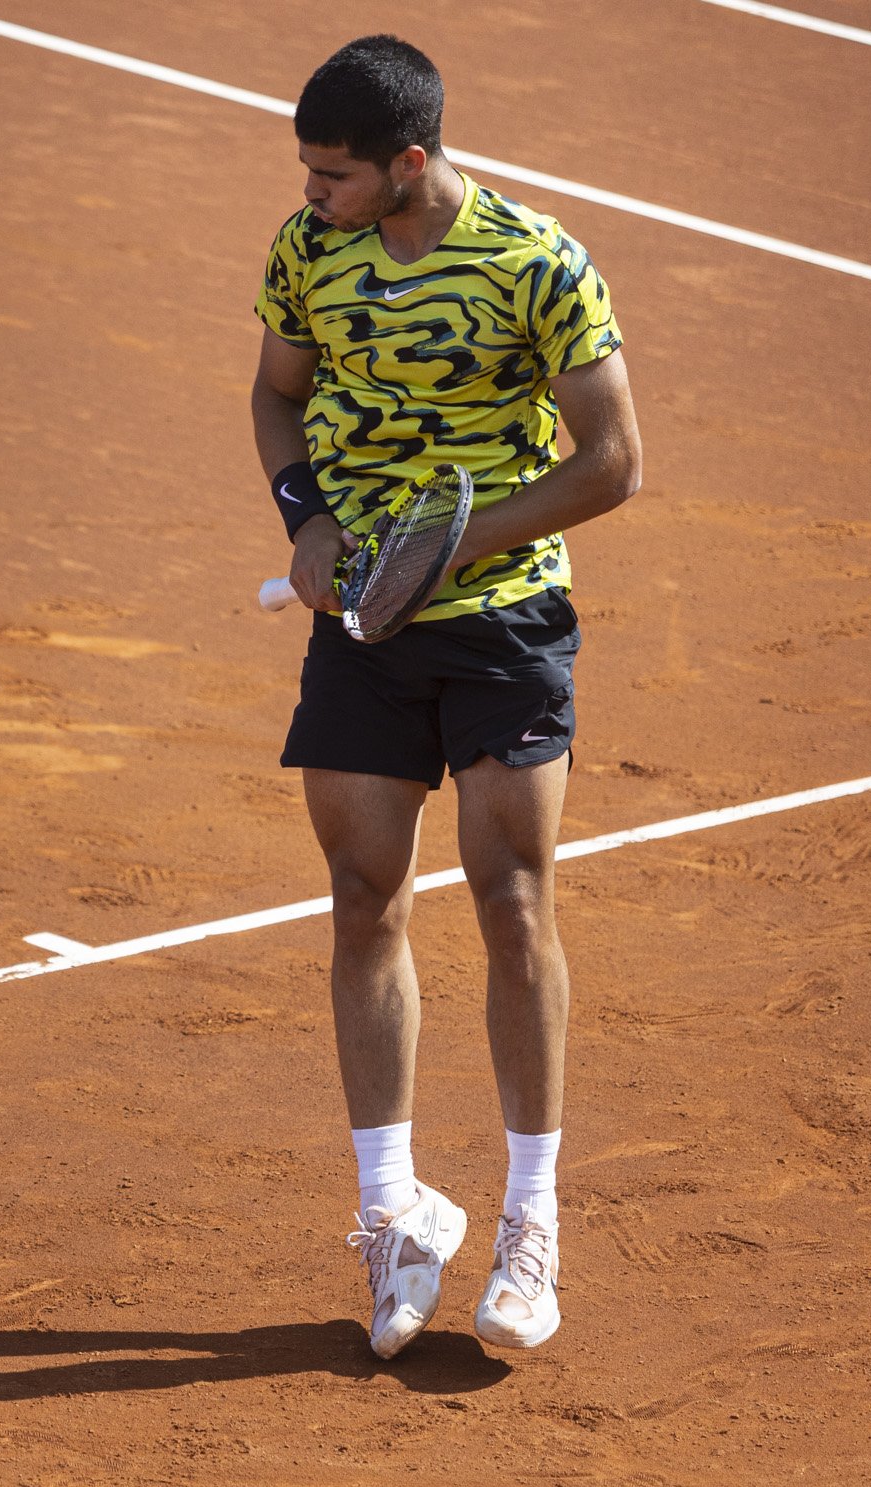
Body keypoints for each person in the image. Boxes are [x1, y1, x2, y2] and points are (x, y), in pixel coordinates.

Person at [248, 36, 642, 1358]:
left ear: (408, 165)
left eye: (336, 176)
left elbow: (614, 461)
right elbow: (278, 396)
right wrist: (307, 522)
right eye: (307, 171)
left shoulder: (541, 266)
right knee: (364, 896)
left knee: (513, 900)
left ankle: (531, 1220)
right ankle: (394, 1213)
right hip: (367, 626)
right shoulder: (310, 253)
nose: (313, 195)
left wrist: (447, 547)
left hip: (505, 629)